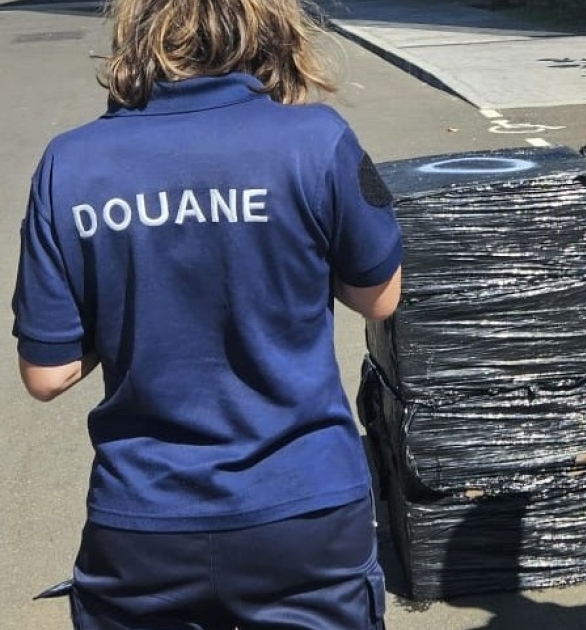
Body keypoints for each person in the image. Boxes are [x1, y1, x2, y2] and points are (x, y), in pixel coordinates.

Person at [11, 0, 404, 626]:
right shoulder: (316, 139)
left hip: (144, 520)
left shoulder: (71, 162)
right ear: (273, 29)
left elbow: (46, 374)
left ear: (135, 33)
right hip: (303, 513)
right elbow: (378, 297)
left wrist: (131, 312)